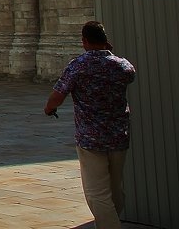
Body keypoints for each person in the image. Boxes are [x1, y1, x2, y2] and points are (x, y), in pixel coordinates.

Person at [44, 20, 137, 229]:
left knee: (97, 193)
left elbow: (58, 96)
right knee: (115, 189)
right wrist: (108, 52)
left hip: (91, 138)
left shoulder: (79, 66)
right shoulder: (122, 66)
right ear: (105, 40)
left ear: (84, 41)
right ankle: (108, 221)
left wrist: (49, 108)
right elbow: (130, 73)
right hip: (118, 136)